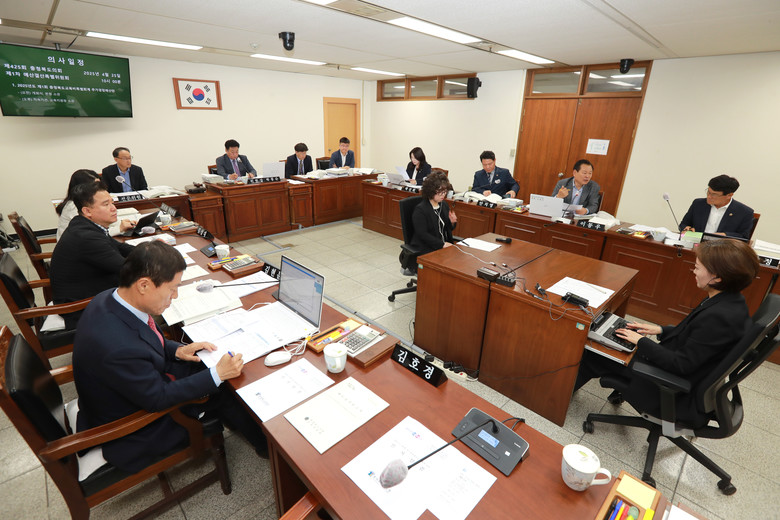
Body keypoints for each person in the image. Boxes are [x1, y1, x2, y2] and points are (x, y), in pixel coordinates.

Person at [73, 241, 267, 473]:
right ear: (143, 285)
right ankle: (266, 447)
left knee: (206, 366)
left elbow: (144, 338)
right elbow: (158, 398)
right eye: (172, 288)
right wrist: (218, 374)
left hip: (134, 385)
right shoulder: (117, 347)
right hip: (137, 426)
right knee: (223, 386)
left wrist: (177, 350)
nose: (175, 296)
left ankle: (240, 421)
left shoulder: (110, 298)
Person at [573, 239, 759, 424]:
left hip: (669, 388)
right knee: (616, 341)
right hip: (679, 374)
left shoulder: (718, 318)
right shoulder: (731, 301)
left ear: (717, 277)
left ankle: (558, 399)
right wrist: (659, 329)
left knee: (594, 351)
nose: (694, 271)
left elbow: (680, 365)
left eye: (697, 267)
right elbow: (694, 336)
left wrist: (640, 341)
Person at [50, 181, 135, 329]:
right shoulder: (86, 236)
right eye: (106, 204)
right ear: (87, 211)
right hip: (80, 308)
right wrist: (157, 258)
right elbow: (126, 269)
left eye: (112, 202)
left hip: (89, 290)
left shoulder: (85, 224)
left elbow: (120, 247)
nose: (114, 208)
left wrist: (151, 249)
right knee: (145, 285)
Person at [55, 169, 135, 240]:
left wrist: (124, 223)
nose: (99, 188)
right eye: (95, 185)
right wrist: (120, 228)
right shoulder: (74, 207)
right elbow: (93, 233)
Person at [408, 172, 458, 274]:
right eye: (440, 192)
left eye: (445, 192)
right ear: (431, 191)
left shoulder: (443, 205)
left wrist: (452, 222)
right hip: (426, 248)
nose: (443, 195)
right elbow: (422, 234)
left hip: (442, 246)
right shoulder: (421, 210)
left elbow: (447, 229)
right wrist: (442, 244)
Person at [679, 174, 754, 239]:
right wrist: (686, 228)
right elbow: (683, 224)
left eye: (714, 194)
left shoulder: (744, 212)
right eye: (708, 192)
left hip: (721, 248)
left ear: (729, 195)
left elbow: (743, 236)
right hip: (696, 245)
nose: (709, 196)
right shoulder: (698, 204)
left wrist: (725, 235)